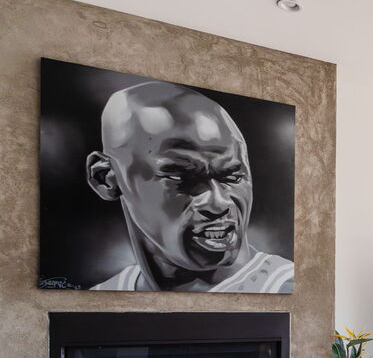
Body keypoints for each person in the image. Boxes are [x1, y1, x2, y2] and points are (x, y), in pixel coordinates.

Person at [85, 81, 293, 292]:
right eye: (182, 178)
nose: (218, 203)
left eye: (232, 177)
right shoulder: (100, 298)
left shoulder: (286, 288)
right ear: (106, 178)